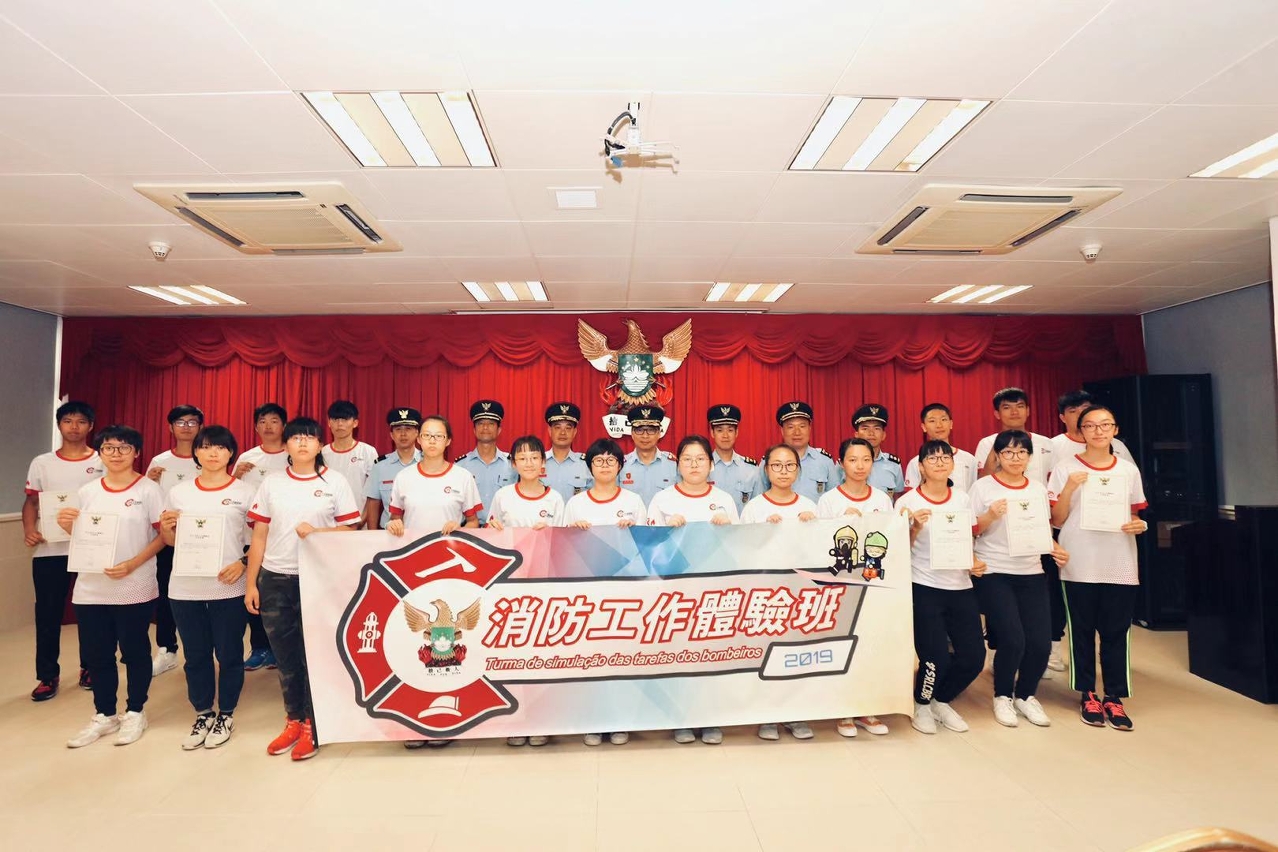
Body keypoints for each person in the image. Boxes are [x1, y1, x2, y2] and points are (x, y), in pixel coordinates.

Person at [245, 417, 361, 761]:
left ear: (319, 444)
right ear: (287, 445)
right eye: (296, 438)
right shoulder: (272, 483)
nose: (302, 443)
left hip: (319, 579)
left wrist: (317, 533)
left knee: (316, 655)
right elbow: (259, 535)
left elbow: (350, 530)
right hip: (275, 578)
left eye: (309, 438)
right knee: (286, 656)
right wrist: (251, 583)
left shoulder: (334, 481)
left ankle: (314, 723)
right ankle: (293, 719)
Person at [59, 425, 165, 748]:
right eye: (108, 448)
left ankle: (135, 711)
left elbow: (163, 537)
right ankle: (104, 713)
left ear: (137, 452)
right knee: (98, 654)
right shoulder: (87, 491)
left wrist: (133, 563)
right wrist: (66, 526)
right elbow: (85, 538)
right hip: (91, 588)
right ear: (100, 453)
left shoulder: (149, 490)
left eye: (123, 447)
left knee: (134, 651)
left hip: (134, 584)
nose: (115, 454)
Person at [1048, 405, 1148, 731]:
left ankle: (1114, 696)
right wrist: (1069, 488)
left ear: (1115, 430)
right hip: (1078, 561)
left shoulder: (1128, 471)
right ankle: (1087, 693)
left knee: (1117, 631)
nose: (1098, 431)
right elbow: (1057, 520)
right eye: (1090, 425)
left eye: (1105, 425)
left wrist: (1139, 524)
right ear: (1081, 432)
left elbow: (1135, 514)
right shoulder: (1065, 468)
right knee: (1081, 631)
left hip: (1120, 561)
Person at [386, 414, 482, 751]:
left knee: (449, 646)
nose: (431, 441)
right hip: (412, 571)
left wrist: (461, 528)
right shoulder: (404, 477)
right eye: (426, 435)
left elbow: (475, 522)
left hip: (452, 573)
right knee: (414, 645)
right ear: (419, 440)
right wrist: (394, 525)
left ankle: (448, 715)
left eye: (438, 436)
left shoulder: (462, 476)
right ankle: (415, 717)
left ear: (448, 441)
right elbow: (394, 517)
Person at [159, 425, 255, 750]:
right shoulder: (179, 492)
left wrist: (242, 564)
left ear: (231, 453)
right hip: (185, 587)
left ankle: (226, 714)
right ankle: (202, 713)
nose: (213, 453)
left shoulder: (245, 492)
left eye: (221, 447)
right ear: (196, 452)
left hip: (229, 586)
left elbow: (259, 538)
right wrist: (167, 529)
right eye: (206, 447)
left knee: (229, 653)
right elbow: (170, 541)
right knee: (196, 655)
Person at [969, 430, 1069, 729]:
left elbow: (1041, 528)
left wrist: (1055, 547)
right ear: (997, 456)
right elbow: (970, 530)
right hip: (995, 571)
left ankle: (1026, 695)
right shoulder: (982, 487)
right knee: (1013, 639)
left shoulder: (1037, 489)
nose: (1015, 458)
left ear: (1029, 457)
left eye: (1022, 452)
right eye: (1008, 452)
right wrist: (990, 515)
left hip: (1031, 572)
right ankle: (1002, 695)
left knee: (1039, 642)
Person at [646, 434, 739, 746]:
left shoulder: (725, 500)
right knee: (678, 657)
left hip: (714, 593)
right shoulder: (662, 500)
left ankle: (711, 719)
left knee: (711, 656)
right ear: (678, 465)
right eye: (687, 459)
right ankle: (681, 720)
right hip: (675, 593)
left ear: (711, 465)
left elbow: (741, 546)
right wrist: (665, 530)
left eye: (700, 459)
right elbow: (646, 548)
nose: (694, 465)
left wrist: (728, 529)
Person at [896, 440, 988, 735]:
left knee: (973, 657)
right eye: (932, 458)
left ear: (952, 464)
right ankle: (922, 703)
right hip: (924, 585)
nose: (939, 462)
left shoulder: (961, 498)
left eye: (944, 457)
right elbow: (898, 551)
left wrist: (973, 561)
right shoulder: (907, 502)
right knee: (934, 656)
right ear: (921, 467)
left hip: (961, 586)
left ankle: (941, 699)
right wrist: (914, 527)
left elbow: (965, 539)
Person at [563, 438, 647, 746]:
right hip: (587, 595)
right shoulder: (576, 504)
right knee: (590, 659)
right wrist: (575, 534)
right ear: (589, 467)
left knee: (623, 657)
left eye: (611, 460)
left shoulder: (634, 501)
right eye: (598, 461)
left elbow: (647, 546)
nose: (605, 465)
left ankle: (620, 719)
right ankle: (593, 721)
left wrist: (633, 531)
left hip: (626, 594)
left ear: (621, 466)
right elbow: (560, 547)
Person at [487, 435, 565, 748]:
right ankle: (517, 719)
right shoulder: (503, 496)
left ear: (543, 463)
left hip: (545, 585)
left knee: (544, 654)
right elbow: (491, 535)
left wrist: (550, 534)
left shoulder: (555, 499)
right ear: (513, 463)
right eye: (522, 458)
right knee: (514, 654)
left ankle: (542, 720)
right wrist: (494, 531)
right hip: (511, 587)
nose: (529, 463)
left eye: (534, 457)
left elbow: (566, 542)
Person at [817, 437, 898, 738]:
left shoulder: (882, 500)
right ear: (841, 464)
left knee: (870, 647)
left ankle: (867, 708)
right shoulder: (829, 501)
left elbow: (889, 541)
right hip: (841, 586)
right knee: (844, 646)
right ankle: (843, 710)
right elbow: (818, 545)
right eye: (852, 460)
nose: (860, 466)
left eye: (865, 459)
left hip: (875, 584)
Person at [23, 400, 103, 701]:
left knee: (91, 612)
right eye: (68, 421)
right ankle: (47, 675)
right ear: (59, 425)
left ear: (90, 426)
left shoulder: (103, 460)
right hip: (50, 549)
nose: (74, 427)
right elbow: (31, 502)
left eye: (81, 421)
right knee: (47, 613)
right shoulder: (42, 462)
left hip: (90, 548)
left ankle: (90, 667)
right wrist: (29, 530)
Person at [742, 443, 819, 741]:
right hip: (764, 594)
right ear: (766, 470)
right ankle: (767, 716)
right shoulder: (754, 508)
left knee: (795, 655)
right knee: (765, 656)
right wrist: (764, 532)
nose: (783, 471)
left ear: (798, 470)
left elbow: (820, 554)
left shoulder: (809, 507)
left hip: (800, 594)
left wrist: (812, 528)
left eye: (789, 466)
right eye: (776, 465)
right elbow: (742, 551)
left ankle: (795, 714)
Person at [145, 403, 205, 678]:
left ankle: (204, 650)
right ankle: (167, 649)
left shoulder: (208, 455)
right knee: (166, 594)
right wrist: (148, 481)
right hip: (168, 540)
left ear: (200, 427)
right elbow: (149, 499)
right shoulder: (159, 462)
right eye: (180, 422)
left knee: (204, 596)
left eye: (192, 422)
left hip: (203, 540)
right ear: (170, 427)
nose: (186, 427)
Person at [234, 402, 289, 672]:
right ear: (256, 427)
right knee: (255, 592)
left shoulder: (293, 454)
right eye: (263, 421)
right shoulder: (247, 457)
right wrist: (235, 475)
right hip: (252, 536)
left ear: (284, 426)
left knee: (281, 598)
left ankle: (281, 650)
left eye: (274, 421)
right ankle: (259, 648)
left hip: (285, 539)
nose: (268, 426)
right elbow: (234, 493)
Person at [760, 401, 842, 503]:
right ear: (782, 430)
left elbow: (835, 499)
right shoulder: (769, 461)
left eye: (802, 426)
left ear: (809, 428)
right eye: (790, 427)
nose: (797, 432)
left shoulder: (824, 461)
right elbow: (760, 498)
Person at [973, 388, 1055, 485]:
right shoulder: (987, 443)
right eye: (1007, 408)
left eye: (1020, 406)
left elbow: (1054, 482)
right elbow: (982, 482)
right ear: (997, 414)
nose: (1014, 412)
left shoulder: (1046, 443)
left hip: (1038, 494)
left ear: (1027, 411)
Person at [454, 400, 515, 526]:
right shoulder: (460, 466)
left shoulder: (513, 465)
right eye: (480, 423)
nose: (485, 428)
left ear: (499, 430)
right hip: (469, 530)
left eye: (491, 424)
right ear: (474, 430)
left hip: (503, 530)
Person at [363, 407, 422, 530]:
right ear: (391, 435)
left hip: (420, 531)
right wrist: (373, 535)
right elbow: (373, 503)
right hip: (389, 533)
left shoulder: (427, 461)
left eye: (408, 429)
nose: (403, 434)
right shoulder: (380, 466)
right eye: (398, 429)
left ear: (417, 433)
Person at [904, 403, 979, 493]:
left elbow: (975, 493)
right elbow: (911, 496)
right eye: (932, 421)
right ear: (924, 427)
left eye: (943, 419)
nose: (939, 425)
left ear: (951, 424)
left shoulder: (969, 459)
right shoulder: (916, 463)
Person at [322, 400, 378, 519]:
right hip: (328, 522)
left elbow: (374, 492)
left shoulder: (368, 451)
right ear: (329, 423)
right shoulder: (322, 453)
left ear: (355, 423)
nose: (339, 424)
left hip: (360, 521)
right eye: (335, 419)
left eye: (345, 419)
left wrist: (362, 520)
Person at [706, 404, 759, 515]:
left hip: (742, 526)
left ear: (736, 432)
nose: (725, 435)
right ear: (712, 433)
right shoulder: (702, 466)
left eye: (730, 430)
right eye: (720, 430)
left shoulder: (751, 469)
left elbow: (758, 506)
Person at [619, 406, 678, 506]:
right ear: (632, 434)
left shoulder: (673, 464)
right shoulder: (621, 465)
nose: (645, 436)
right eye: (639, 430)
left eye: (651, 430)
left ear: (659, 433)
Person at [541, 402, 593, 502]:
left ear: (575, 432)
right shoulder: (537, 462)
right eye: (557, 427)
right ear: (549, 431)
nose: (563, 433)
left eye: (568, 428)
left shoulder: (586, 464)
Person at [852, 404, 905, 499]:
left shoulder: (893, 464)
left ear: (883, 435)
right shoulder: (845, 464)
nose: (871, 433)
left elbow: (898, 497)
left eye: (877, 428)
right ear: (856, 434)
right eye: (865, 428)